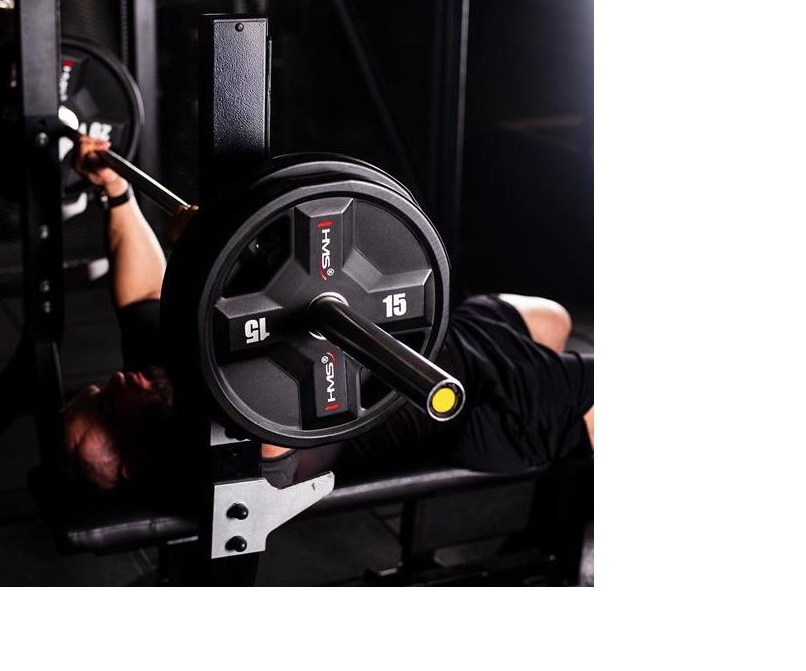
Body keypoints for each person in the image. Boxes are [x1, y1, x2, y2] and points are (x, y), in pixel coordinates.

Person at [62, 136, 593, 492]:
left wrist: (117, 191)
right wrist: (210, 256)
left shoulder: (152, 374)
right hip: (474, 409)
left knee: (554, 319)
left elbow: (141, 293)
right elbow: (276, 422)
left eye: (98, 388)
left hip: (442, 336)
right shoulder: (219, 452)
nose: (114, 381)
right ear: (137, 462)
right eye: (108, 406)